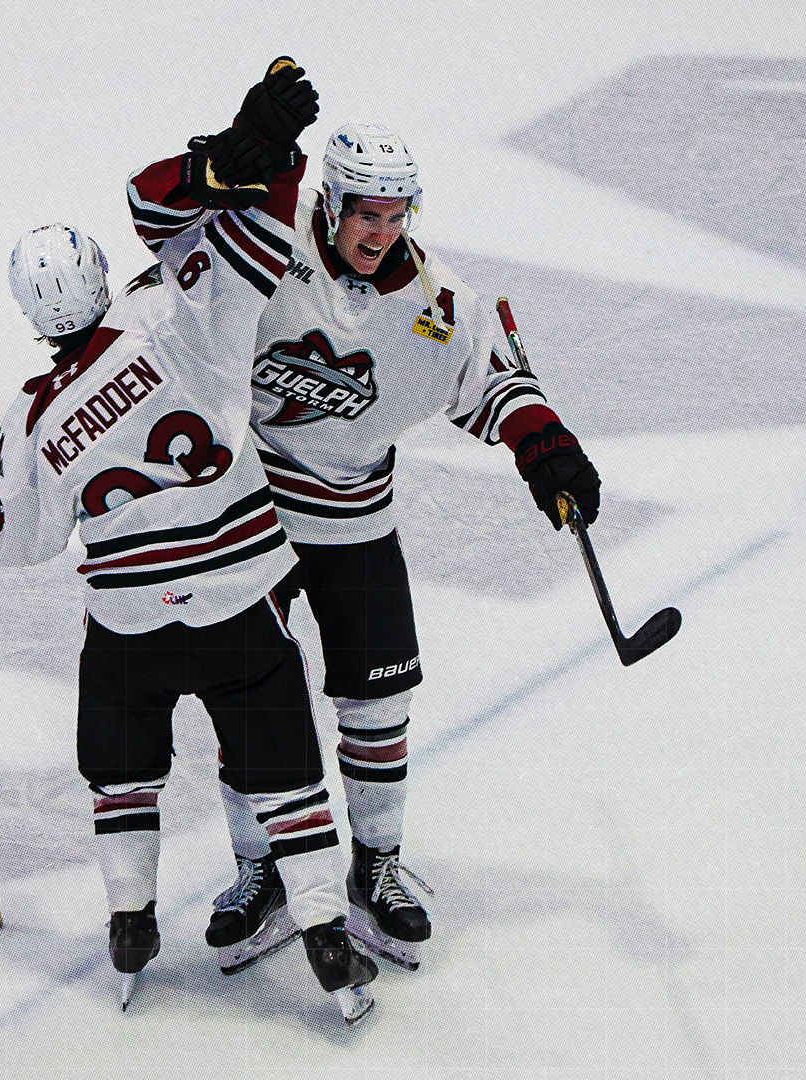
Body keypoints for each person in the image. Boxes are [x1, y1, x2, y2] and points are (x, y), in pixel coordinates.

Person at [0, 58, 378, 1021]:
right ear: (99, 273)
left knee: (123, 778)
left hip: (127, 628)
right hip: (238, 605)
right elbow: (253, 241)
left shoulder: (30, 417)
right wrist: (270, 157)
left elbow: (11, 541)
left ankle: (130, 922)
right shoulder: (173, 316)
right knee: (286, 776)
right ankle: (325, 935)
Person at [191, 123, 602, 973]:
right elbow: (170, 275)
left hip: (355, 520)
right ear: (331, 203)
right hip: (251, 514)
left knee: (379, 704)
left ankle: (374, 866)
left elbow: (499, 381)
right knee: (247, 701)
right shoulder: (270, 238)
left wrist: (544, 444)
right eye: (365, 214)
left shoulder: (438, 306)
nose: (380, 232)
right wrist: (217, 161)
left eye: (395, 214)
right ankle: (258, 868)